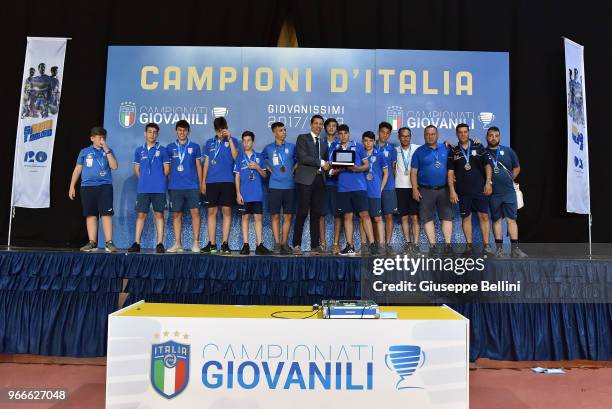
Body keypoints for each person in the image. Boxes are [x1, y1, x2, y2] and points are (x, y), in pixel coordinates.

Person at [68, 126, 118, 252]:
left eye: (104, 138)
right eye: (99, 137)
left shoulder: (108, 150)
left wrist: (106, 150)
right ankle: (92, 242)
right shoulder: (84, 152)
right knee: (90, 214)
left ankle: (109, 242)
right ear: (92, 138)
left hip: (104, 186)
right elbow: (78, 169)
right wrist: (71, 186)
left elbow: (114, 166)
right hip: (87, 187)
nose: (102, 140)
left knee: (106, 214)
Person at [447, 124, 494, 255]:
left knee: (484, 216)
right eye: (460, 132)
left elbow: (488, 166)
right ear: (457, 134)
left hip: (480, 190)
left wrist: (488, 183)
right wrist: (452, 190)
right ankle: (469, 247)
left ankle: (487, 246)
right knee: (466, 218)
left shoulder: (478, 146)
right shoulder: (453, 151)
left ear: (469, 133)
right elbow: (450, 173)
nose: (463, 134)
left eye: (465, 132)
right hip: (463, 191)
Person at [333, 124, 376, 256]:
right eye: (340, 134)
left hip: (359, 186)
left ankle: (373, 245)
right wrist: (338, 169)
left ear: (349, 134)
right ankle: (350, 246)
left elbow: (366, 165)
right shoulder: (335, 148)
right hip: (343, 188)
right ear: (338, 135)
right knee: (347, 216)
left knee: (364, 214)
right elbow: (332, 170)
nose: (343, 136)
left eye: (345, 133)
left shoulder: (358, 147)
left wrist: (356, 169)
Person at [128, 123, 170, 253]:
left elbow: (167, 170)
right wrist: (146, 180)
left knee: (159, 214)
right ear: (145, 133)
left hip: (159, 188)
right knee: (141, 215)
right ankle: (136, 243)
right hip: (143, 188)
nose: (152, 134)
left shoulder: (163, 150)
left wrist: (157, 180)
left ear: (157, 134)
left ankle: (160, 243)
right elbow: (136, 169)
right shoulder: (139, 150)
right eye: (150, 132)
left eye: (154, 132)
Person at [410, 125, 453, 254]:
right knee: (427, 218)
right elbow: (413, 173)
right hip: (425, 190)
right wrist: (414, 189)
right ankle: (433, 246)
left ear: (437, 135)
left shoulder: (446, 148)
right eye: (427, 134)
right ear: (424, 135)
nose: (430, 136)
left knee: (447, 217)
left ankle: (448, 245)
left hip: (444, 189)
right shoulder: (419, 152)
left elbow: (462, 151)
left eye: (432, 134)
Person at [485, 126, 527, 258]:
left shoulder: (508, 151)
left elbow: (517, 167)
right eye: (491, 135)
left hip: (508, 192)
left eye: (496, 135)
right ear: (487, 137)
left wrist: (510, 179)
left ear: (499, 137)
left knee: (511, 220)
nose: (493, 138)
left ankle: (515, 250)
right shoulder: (483, 153)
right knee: (496, 220)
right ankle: (499, 250)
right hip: (493, 193)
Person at [292, 115, 330, 254]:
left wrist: (328, 168)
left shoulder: (324, 144)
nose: (318, 126)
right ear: (311, 124)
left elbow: (326, 163)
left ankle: (315, 246)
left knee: (316, 214)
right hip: (305, 181)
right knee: (302, 213)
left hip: (320, 180)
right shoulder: (303, 138)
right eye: (316, 123)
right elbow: (303, 157)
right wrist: (321, 163)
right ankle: (296, 245)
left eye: (321, 124)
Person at [201, 116, 239, 254]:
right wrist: (203, 182)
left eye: (222, 129)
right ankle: (212, 244)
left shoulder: (233, 141)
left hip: (228, 181)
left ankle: (225, 244)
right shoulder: (209, 143)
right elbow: (206, 163)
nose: (220, 132)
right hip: (211, 181)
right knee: (211, 212)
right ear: (214, 129)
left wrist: (229, 139)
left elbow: (236, 158)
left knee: (226, 211)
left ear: (226, 128)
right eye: (218, 130)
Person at [166, 120, 202, 253]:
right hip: (175, 186)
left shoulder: (195, 146)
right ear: (176, 131)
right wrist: (170, 182)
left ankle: (196, 243)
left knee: (195, 213)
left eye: (184, 130)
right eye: (180, 130)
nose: (182, 132)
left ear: (188, 131)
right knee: (176, 214)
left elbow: (199, 166)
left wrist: (200, 183)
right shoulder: (170, 147)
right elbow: (168, 168)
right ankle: (177, 243)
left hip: (192, 185)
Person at [234, 131, 271, 255]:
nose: (246, 143)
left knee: (258, 219)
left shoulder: (259, 157)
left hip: (257, 193)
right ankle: (245, 245)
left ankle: (259, 245)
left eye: (248, 140)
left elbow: (265, 175)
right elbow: (237, 177)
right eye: (244, 141)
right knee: (245, 218)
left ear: (253, 142)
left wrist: (257, 167)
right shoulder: (239, 158)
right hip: (244, 194)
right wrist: (238, 193)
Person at [262, 122, 296, 254]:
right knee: (275, 216)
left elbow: (298, 161)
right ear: (274, 132)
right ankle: (276, 244)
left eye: (285, 130)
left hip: (289, 186)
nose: (284, 132)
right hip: (274, 185)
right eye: (281, 130)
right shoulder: (268, 148)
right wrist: (270, 169)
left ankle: (284, 243)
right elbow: (262, 161)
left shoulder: (292, 147)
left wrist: (292, 170)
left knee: (288, 216)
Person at [360, 131, 388, 254]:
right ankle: (364, 244)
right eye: (366, 140)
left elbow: (386, 173)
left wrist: (380, 188)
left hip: (375, 192)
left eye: (371, 141)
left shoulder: (380, 154)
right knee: (363, 217)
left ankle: (381, 244)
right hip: (361, 190)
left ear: (374, 141)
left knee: (377, 218)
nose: (368, 143)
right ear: (362, 142)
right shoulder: (359, 154)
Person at [394, 127, 421, 254]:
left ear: (411, 136)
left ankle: (415, 243)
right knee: (404, 217)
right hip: (400, 188)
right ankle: (408, 243)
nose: (405, 138)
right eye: (402, 136)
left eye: (407, 136)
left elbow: (433, 145)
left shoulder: (417, 148)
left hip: (414, 188)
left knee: (414, 217)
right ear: (399, 137)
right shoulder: (395, 150)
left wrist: (447, 143)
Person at [320, 117, 342, 253]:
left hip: (336, 183)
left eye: (334, 126)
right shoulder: (319, 143)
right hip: (321, 182)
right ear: (325, 128)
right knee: (321, 214)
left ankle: (335, 243)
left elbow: (345, 164)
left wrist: (335, 170)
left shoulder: (341, 144)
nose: (332, 128)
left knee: (337, 215)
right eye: (329, 126)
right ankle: (322, 243)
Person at [376, 121, 398, 254]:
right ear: (378, 132)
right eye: (382, 132)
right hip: (373, 188)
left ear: (389, 135)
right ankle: (378, 243)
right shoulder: (371, 146)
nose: (384, 135)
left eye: (387, 133)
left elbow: (394, 169)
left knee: (389, 216)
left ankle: (388, 244)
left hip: (389, 187)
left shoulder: (392, 149)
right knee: (375, 216)